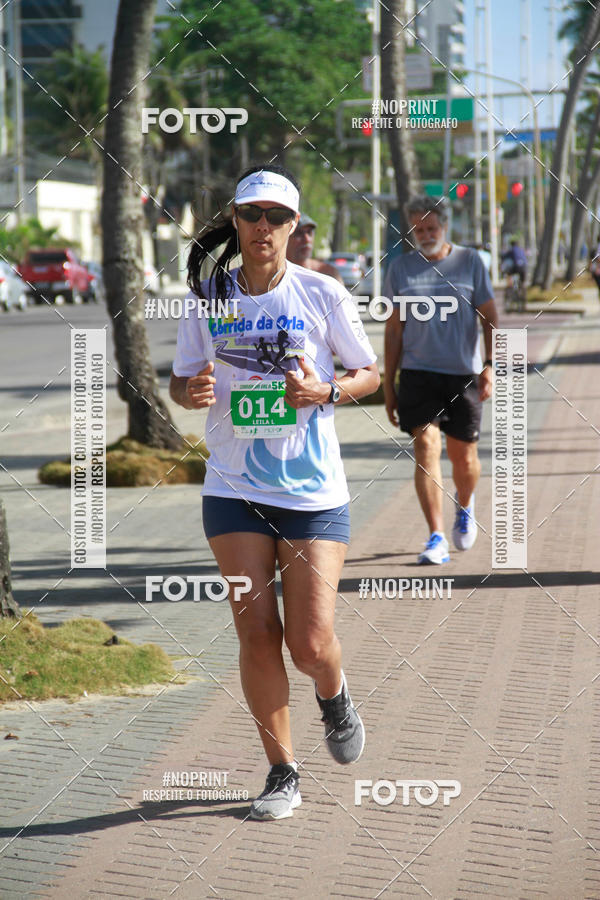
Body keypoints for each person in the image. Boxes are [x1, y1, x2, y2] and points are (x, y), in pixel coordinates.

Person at [170, 164, 380, 820]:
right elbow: (181, 380)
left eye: (277, 217)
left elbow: (369, 373)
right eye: (252, 214)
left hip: (312, 490)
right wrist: (191, 392)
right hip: (232, 487)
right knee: (256, 634)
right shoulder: (209, 296)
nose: (264, 227)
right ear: (235, 220)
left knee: (309, 643)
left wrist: (327, 391)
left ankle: (335, 693)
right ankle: (282, 771)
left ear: (294, 227)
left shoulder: (322, 294)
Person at [383, 195, 498, 565]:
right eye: (418, 229)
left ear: (444, 226)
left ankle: (464, 504)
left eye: (431, 228)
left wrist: (490, 365)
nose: (425, 234)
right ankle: (435, 536)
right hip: (418, 374)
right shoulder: (400, 269)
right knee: (426, 447)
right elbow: (393, 332)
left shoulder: (470, 262)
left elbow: (490, 317)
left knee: (463, 458)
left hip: (462, 373)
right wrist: (389, 385)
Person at [286, 211, 344, 283]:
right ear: (286, 237)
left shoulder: (328, 274)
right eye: (299, 233)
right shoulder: (276, 274)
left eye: (309, 232)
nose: (307, 239)